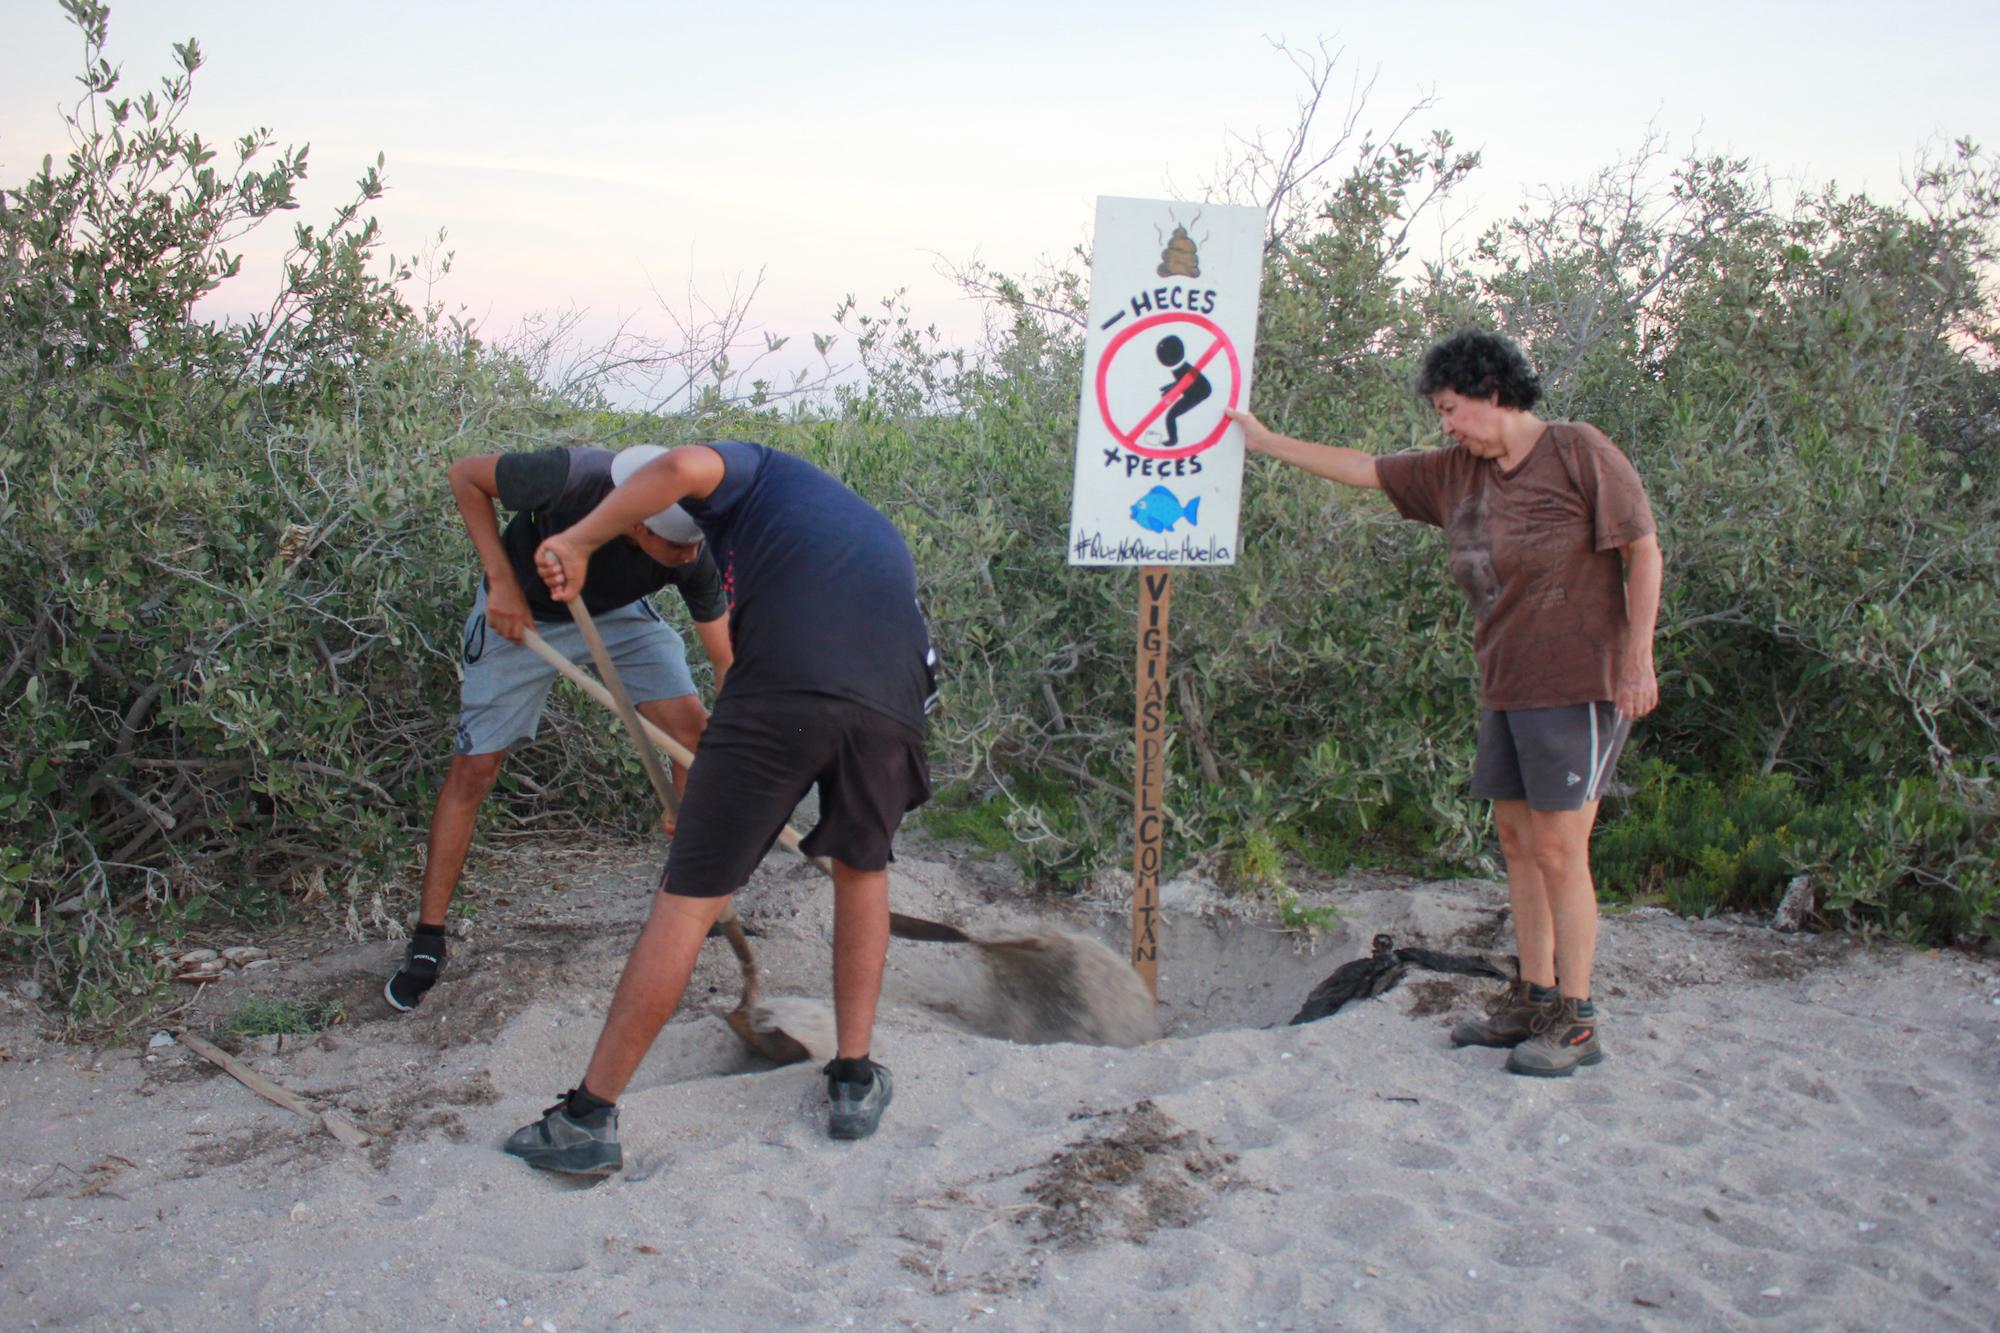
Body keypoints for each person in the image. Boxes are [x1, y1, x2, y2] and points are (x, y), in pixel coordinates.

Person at [1228, 329, 1662, 1078]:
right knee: (1521, 845)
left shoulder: (1578, 450)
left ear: (1494, 393)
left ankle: (1578, 1018)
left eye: (1453, 408)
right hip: (1508, 682)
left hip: (1580, 680)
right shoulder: (1456, 473)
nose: (1446, 424)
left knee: (1562, 851)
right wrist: (1266, 442)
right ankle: (1532, 993)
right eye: (1441, 412)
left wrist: (1638, 656)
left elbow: (1643, 547)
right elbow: (1365, 469)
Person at [502, 440, 937, 1174]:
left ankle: (586, 1120)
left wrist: (578, 538)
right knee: (862, 870)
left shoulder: (755, 468)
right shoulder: (835, 521)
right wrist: (711, 792)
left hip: (788, 684)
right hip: (895, 693)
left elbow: (678, 470)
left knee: (690, 898)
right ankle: (855, 1080)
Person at [384, 444, 733, 1012]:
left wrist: (726, 759)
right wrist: (499, 582)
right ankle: (428, 938)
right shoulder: (569, 478)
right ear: (635, 523)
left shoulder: (692, 553)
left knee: (695, 737)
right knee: (475, 768)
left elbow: (725, 662)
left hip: (620, 618)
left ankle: (688, 904)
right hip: (520, 613)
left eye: (693, 545)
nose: (686, 555)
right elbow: (464, 476)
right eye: (674, 545)